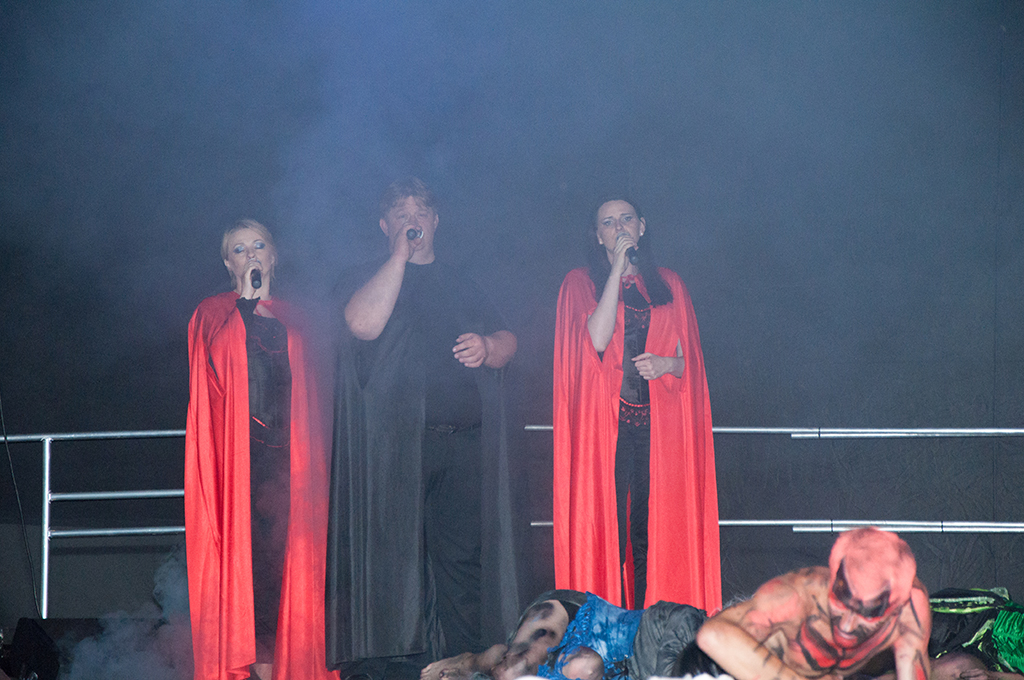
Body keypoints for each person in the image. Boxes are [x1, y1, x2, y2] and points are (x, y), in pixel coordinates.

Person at [326, 178, 522, 680]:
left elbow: (509, 340)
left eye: (421, 211)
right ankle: (391, 668)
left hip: (463, 442)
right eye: (401, 213)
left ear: (436, 221)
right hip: (395, 448)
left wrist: (488, 346)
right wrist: (398, 257)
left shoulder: (463, 281)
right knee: (394, 560)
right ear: (384, 225)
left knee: (463, 562)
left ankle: (465, 663)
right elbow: (362, 324)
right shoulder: (366, 276)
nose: (412, 219)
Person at [185, 219, 338, 680]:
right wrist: (247, 304)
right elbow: (212, 370)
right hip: (241, 464)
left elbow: (323, 387)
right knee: (250, 574)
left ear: (274, 255)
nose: (250, 254)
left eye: (258, 245)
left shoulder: (302, 318)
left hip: (294, 463)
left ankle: (296, 667)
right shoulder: (213, 313)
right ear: (227, 263)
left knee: (289, 569)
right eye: (239, 249)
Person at [553, 197, 720, 611]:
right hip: (605, 429)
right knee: (610, 531)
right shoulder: (579, 283)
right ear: (598, 236)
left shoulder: (669, 284)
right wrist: (616, 271)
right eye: (608, 222)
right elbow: (594, 340)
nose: (619, 227)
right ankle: (606, 628)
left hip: (657, 430)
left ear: (642, 226)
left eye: (626, 219)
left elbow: (689, 363)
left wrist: (666, 364)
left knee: (652, 534)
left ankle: (652, 626)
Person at [695, 527, 932, 680]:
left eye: (867, 613)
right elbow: (713, 636)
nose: (847, 626)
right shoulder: (798, 595)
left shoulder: (911, 610)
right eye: (841, 603)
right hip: (715, 670)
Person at [420, 589, 707, 680]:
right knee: (513, 667)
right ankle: (469, 662)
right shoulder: (699, 630)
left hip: (586, 666)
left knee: (581, 667)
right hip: (583, 618)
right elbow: (684, 618)